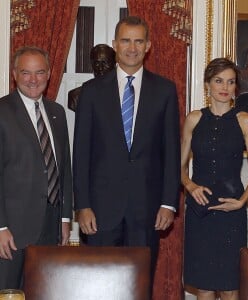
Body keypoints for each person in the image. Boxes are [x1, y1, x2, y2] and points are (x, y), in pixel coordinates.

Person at [72, 16, 180, 285]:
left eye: (138, 41)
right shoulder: (91, 92)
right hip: (99, 213)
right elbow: (81, 153)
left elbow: (171, 151)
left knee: (139, 286)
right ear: (115, 45)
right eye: (125, 40)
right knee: (99, 286)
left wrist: (168, 203)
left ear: (148, 46)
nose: (132, 47)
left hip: (147, 211)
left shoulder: (165, 90)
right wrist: (82, 206)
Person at [181, 58, 248, 300]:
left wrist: (242, 202)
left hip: (231, 213)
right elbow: (180, 166)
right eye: (218, 81)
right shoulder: (194, 119)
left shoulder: (244, 120)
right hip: (200, 213)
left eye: (230, 82)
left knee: (230, 287)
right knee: (204, 288)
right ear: (207, 84)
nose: (224, 87)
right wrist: (190, 185)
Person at [0, 46, 72, 289]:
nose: (33, 80)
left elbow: (65, 170)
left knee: (44, 291)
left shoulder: (57, 113)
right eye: (26, 73)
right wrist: (0, 226)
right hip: (12, 230)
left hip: (50, 226)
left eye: (39, 72)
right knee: (9, 292)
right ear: (14, 74)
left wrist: (64, 218)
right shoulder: (2, 112)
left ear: (50, 73)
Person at [68, 44, 116, 112]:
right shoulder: (76, 96)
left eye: (105, 63)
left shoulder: (123, 94)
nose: (100, 68)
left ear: (114, 65)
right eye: (97, 63)